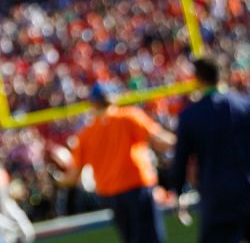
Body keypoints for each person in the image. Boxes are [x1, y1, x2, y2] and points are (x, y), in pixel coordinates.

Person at [168, 57, 250, 243]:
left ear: (198, 80)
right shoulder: (245, 104)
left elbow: (180, 161)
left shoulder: (190, 116)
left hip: (217, 199)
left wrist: (178, 193)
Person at [58, 83, 175, 243]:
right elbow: (161, 141)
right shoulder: (129, 116)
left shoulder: (86, 134)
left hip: (112, 196)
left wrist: (57, 179)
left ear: (93, 103)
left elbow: (72, 178)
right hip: (137, 189)